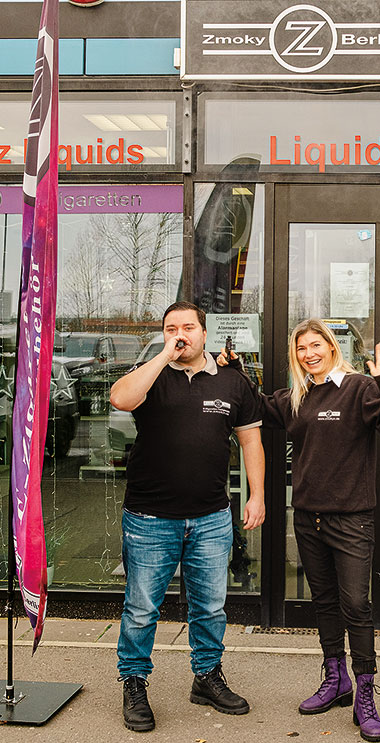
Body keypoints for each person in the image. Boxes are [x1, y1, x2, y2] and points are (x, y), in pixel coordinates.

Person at [221, 318, 380, 743]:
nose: (309, 353)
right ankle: (335, 679)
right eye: (301, 348)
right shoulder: (297, 397)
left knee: (356, 606)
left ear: (331, 346)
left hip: (352, 518)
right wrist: (235, 370)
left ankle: (365, 693)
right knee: (324, 603)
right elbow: (254, 405)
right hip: (309, 518)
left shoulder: (360, 388)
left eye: (315, 345)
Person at [110, 301, 265, 733]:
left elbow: (251, 441)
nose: (181, 334)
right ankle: (134, 682)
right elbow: (121, 398)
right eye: (171, 328)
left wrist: (258, 496)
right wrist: (163, 356)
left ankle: (207, 677)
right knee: (142, 610)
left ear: (204, 333)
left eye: (189, 327)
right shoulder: (152, 376)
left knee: (211, 607)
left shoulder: (232, 382)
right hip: (149, 517)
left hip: (212, 517)